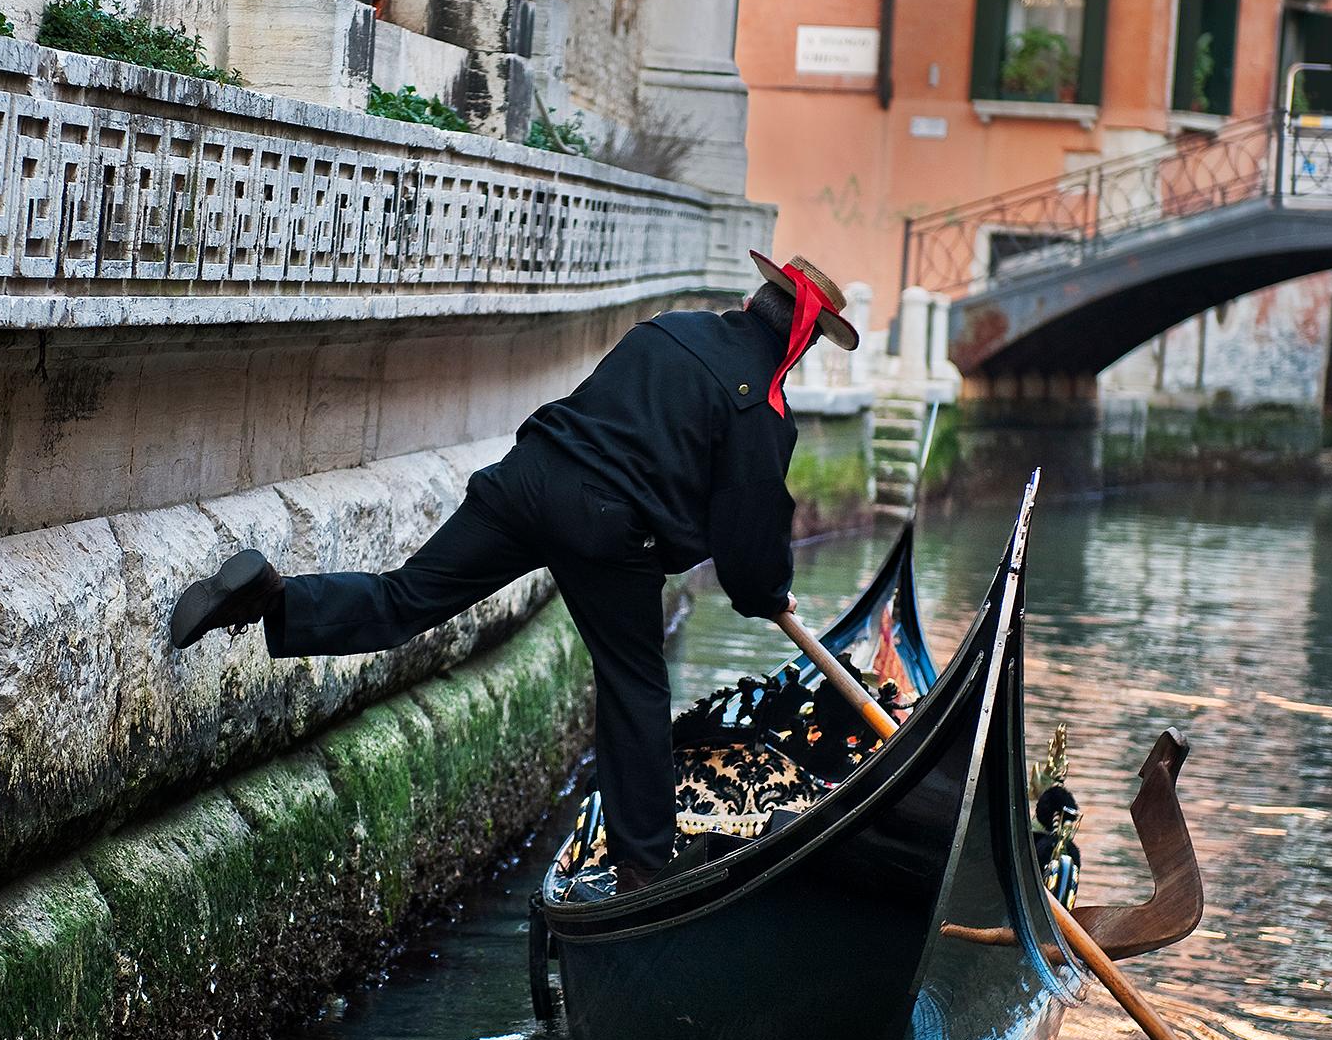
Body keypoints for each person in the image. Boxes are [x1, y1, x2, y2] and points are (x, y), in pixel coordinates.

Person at [168, 253, 858, 885]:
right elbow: (748, 534)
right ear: (803, 341)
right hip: (610, 528)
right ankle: (646, 871)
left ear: (753, 299)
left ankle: (272, 598)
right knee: (636, 692)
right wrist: (768, 594)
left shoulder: (671, 328)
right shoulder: (762, 407)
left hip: (527, 478)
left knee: (405, 598)